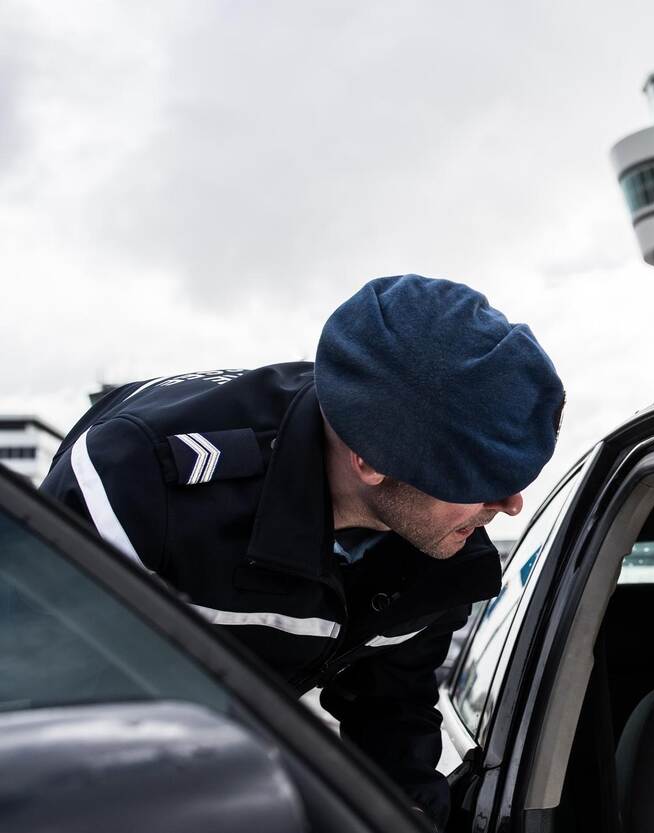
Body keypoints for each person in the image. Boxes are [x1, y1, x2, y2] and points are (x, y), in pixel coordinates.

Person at [39, 274, 566, 829]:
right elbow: (37, 702)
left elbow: (392, 704)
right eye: (481, 478)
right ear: (371, 458)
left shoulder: (440, 550)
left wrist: (403, 811)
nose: (511, 505)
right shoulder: (138, 490)